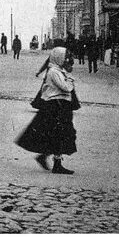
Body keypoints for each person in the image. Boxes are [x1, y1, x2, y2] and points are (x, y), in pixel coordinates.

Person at [14, 46, 78, 175]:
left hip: (60, 105)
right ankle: (56, 164)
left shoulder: (58, 70)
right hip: (56, 105)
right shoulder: (54, 71)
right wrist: (70, 80)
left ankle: (46, 158)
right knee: (59, 134)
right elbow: (65, 87)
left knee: (57, 135)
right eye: (64, 56)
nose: (66, 59)